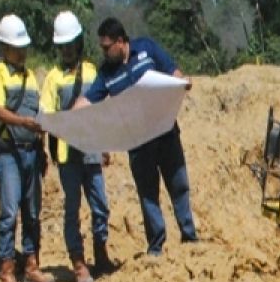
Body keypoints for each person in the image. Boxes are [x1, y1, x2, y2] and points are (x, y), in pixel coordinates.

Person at [73, 17, 198, 256]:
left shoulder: (147, 49)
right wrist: (69, 115)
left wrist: (183, 81)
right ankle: (156, 246)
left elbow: (173, 71)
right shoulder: (107, 73)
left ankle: (189, 238)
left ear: (121, 42)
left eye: (107, 47)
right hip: (139, 143)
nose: (104, 52)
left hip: (165, 132)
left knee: (179, 184)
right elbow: (89, 99)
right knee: (148, 194)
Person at [39, 11, 115, 282]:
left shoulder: (93, 71)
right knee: (72, 208)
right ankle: (78, 262)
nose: (67, 50)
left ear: (79, 43)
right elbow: (46, 115)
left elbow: (102, 112)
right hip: (67, 154)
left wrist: (104, 144)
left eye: (71, 45)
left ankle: (101, 252)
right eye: (63, 46)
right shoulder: (53, 79)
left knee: (100, 205)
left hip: (92, 149)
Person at [0, 14, 54, 282]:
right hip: (8, 153)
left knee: (33, 212)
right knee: (9, 212)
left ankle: (30, 264)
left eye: (24, 47)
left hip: (30, 152)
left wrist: (41, 147)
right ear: (5, 48)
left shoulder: (30, 78)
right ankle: (7, 270)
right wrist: (23, 122)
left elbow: (39, 113)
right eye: (17, 48)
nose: (22, 52)